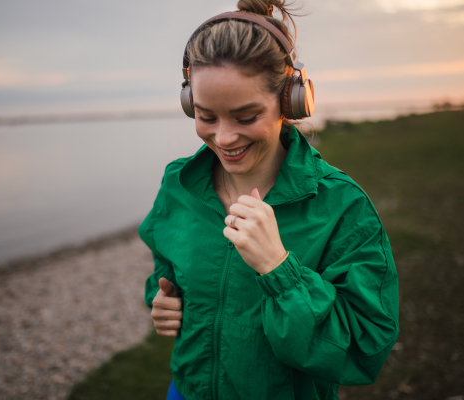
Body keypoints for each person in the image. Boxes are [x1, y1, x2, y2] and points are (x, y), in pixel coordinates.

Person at [138, 1, 400, 399]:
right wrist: (162, 300)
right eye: (206, 116)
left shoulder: (342, 206)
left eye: (245, 117)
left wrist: (279, 269)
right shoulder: (179, 183)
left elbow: (365, 348)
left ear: (291, 101)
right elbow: (168, 269)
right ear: (189, 102)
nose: (223, 138)